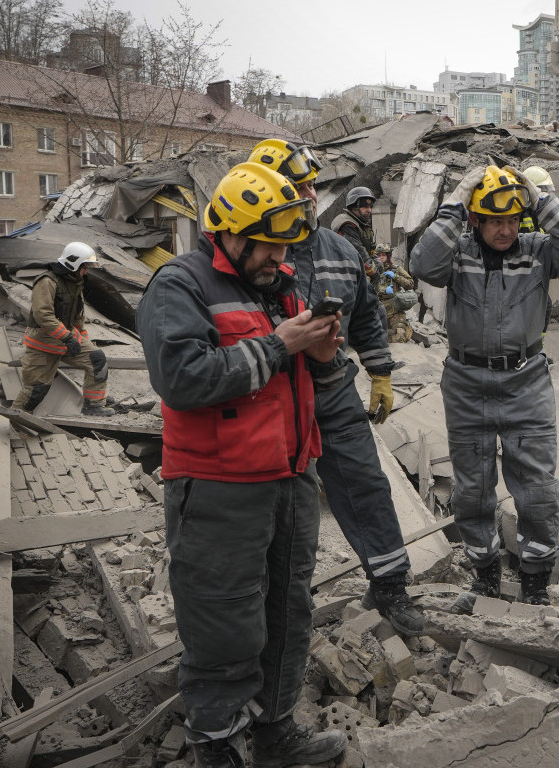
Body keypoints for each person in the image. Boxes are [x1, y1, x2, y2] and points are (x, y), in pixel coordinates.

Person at [135, 162, 348, 768]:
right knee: (223, 620)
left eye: (286, 242)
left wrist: (325, 355)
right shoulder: (180, 285)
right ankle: (217, 745)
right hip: (219, 487)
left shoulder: (278, 284)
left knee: (288, 610)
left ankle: (274, 732)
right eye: (269, 242)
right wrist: (281, 345)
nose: (279, 254)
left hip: (290, 477)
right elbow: (182, 379)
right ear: (230, 231)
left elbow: (301, 375)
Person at [248, 139, 422, 636]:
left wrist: (380, 371)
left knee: (365, 484)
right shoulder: (249, 254)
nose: (305, 194)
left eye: (308, 185)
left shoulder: (340, 248)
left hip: (331, 389)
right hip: (269, 399)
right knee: (274, 509)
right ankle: (269, 608)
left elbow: (366, 314)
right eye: (293, 185)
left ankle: (390, 587)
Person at [411, 165, 559, 604]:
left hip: (525, 382)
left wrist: (541, 200)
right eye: (496, 221)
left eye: (513, 220)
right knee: (472, 490)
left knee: (536, 488)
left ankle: (535, 582)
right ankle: (485, 574)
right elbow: (422, 263)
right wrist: (454, 203)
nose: (506, 230)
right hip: (467, 384)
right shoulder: (458, 254)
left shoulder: (537, 251)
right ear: (477, 220)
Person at [13, 241, 114, 417]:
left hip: (66, 339)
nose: (86, 271)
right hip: (43, 344)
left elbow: (77, 317)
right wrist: (67, 338)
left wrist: (82, 339)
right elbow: (43, 315)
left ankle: (93, 406)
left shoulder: (75, 282)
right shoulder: (47, 281)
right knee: (36, 391)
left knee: (97, 359)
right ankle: (16, 420)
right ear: (73, 264)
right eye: (84, 267)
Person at [370, 243, 424, 345]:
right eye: (379, 255)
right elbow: (365, 287)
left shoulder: (395, 269)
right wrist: (383, 290)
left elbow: (410, 284)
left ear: (388, 256)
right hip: (377, 310)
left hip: (395, 309)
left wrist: (395, 277)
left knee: (399, 335)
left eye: (384, 255)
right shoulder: (371, 270)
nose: (381, 258)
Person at [332, 185, 378, 269]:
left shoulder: (360, 224)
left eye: (370, 207)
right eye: (365, 206)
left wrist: (378, 263)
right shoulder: (347, 225)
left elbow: (369, 250)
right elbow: (359, 254)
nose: (369, 210)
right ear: (353, 207)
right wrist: (375, 272)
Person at [519, 166, 555, 233]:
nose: (545, 196)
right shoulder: (519, 214)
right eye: (543, 191)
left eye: (548, 192)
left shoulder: (541, 213)